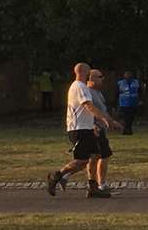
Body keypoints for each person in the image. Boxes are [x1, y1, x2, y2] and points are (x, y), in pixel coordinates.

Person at [46, 63, 116, 199]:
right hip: (79, 129)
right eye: (89, 72)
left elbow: (86, 111)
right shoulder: (79, 86)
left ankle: (93, 187)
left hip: (87, 128)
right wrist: (104, 119)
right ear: (85, 72)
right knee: (82, 161)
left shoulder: (81, 87)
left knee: (95, 156)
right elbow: (88, 106)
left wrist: (93, 125)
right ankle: (56, 175)